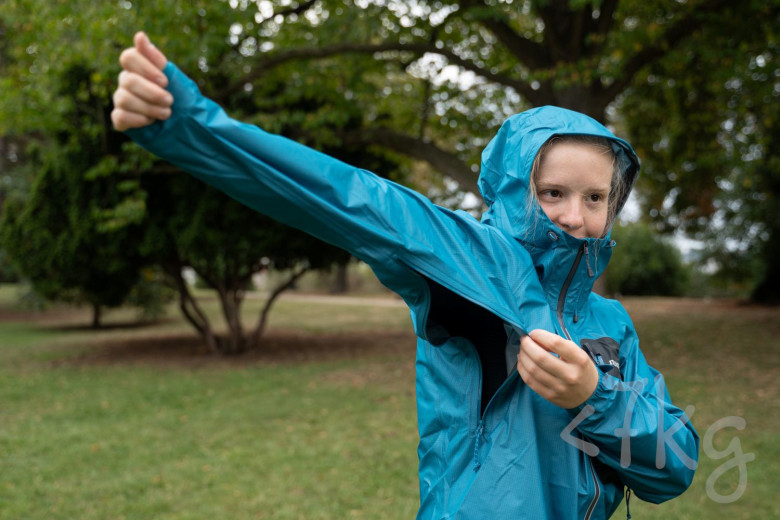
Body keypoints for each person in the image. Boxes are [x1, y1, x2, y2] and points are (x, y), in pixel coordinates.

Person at [112, 32, 699, 520]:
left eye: (596, 197)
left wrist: (594, 399)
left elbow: (673, 470)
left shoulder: (611, 323)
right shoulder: (471, 259)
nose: (576, 215)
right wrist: (190, 126)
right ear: (514, 193)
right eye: (552, 193)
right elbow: (347, 198)